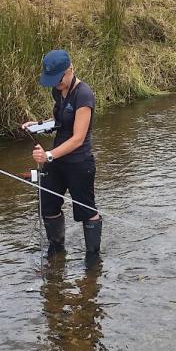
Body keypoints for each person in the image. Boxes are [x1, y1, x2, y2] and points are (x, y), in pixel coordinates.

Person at [21, 50, 102, 261]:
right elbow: (60, 120)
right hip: (57, 160)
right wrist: (38, 125)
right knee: (47, 203)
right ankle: (57, 251)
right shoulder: (59, 91)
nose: (55, 85)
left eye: (58, 79)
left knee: (86, 210)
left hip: (79, 162)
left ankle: (93, 259)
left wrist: (48, 155)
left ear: (70, 71)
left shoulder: (84, 95)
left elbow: (77, 137)